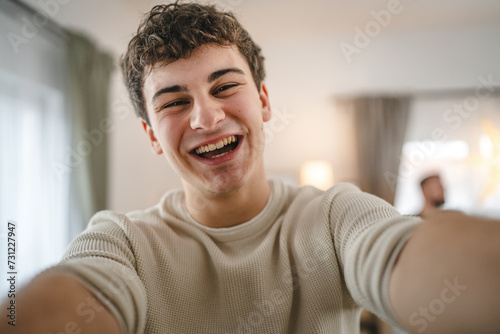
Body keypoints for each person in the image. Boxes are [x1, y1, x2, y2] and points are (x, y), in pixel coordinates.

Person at [2, 2, 500, 333]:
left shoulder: (336, 216)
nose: (206, 116)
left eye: (224, 87)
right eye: (175, 101)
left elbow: (403, 254)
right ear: (151, 134)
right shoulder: (122, 242)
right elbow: (77, 293)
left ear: (263, 101)